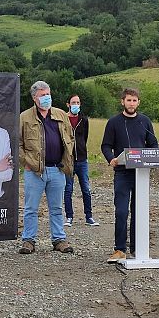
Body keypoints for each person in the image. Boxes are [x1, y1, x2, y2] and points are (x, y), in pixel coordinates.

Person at [101, 88, 158, 263]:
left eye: (134, 100)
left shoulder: (145, 122)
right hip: (122, 173)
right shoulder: (114, 122)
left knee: (139, 211)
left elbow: (153, 145)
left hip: (140, 174)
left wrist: (151, 158)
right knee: (122, 211)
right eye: (128, 100)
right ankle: (119, 249)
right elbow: (106, 145)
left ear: (138, 102)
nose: (131, 103)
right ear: (122, 102)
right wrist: (111, 159)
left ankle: (137, 247)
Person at [18, 81, 75, 255]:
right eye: (42, 95)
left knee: (57, 208)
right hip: (34, 172)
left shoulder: (60, 115)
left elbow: (70, 138)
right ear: (35, 98)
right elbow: (16, 143)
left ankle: (59, 239)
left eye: (48, 94)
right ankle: (28, 241)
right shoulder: (24, 117)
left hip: (57, 169)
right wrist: (26, 162)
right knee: (31, 208)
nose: (46, 98)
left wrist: (67, 159)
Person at [64, 94, 99, 227]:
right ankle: (69, 217)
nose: (76, 105)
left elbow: (85, 137)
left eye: (78, 102)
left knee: (86, 188)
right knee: (68, 189)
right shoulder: (63, 119)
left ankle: (89, 216)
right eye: (73, 102)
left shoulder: (84, 120)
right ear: (68, 104)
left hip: (82, 160)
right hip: (69, 160)